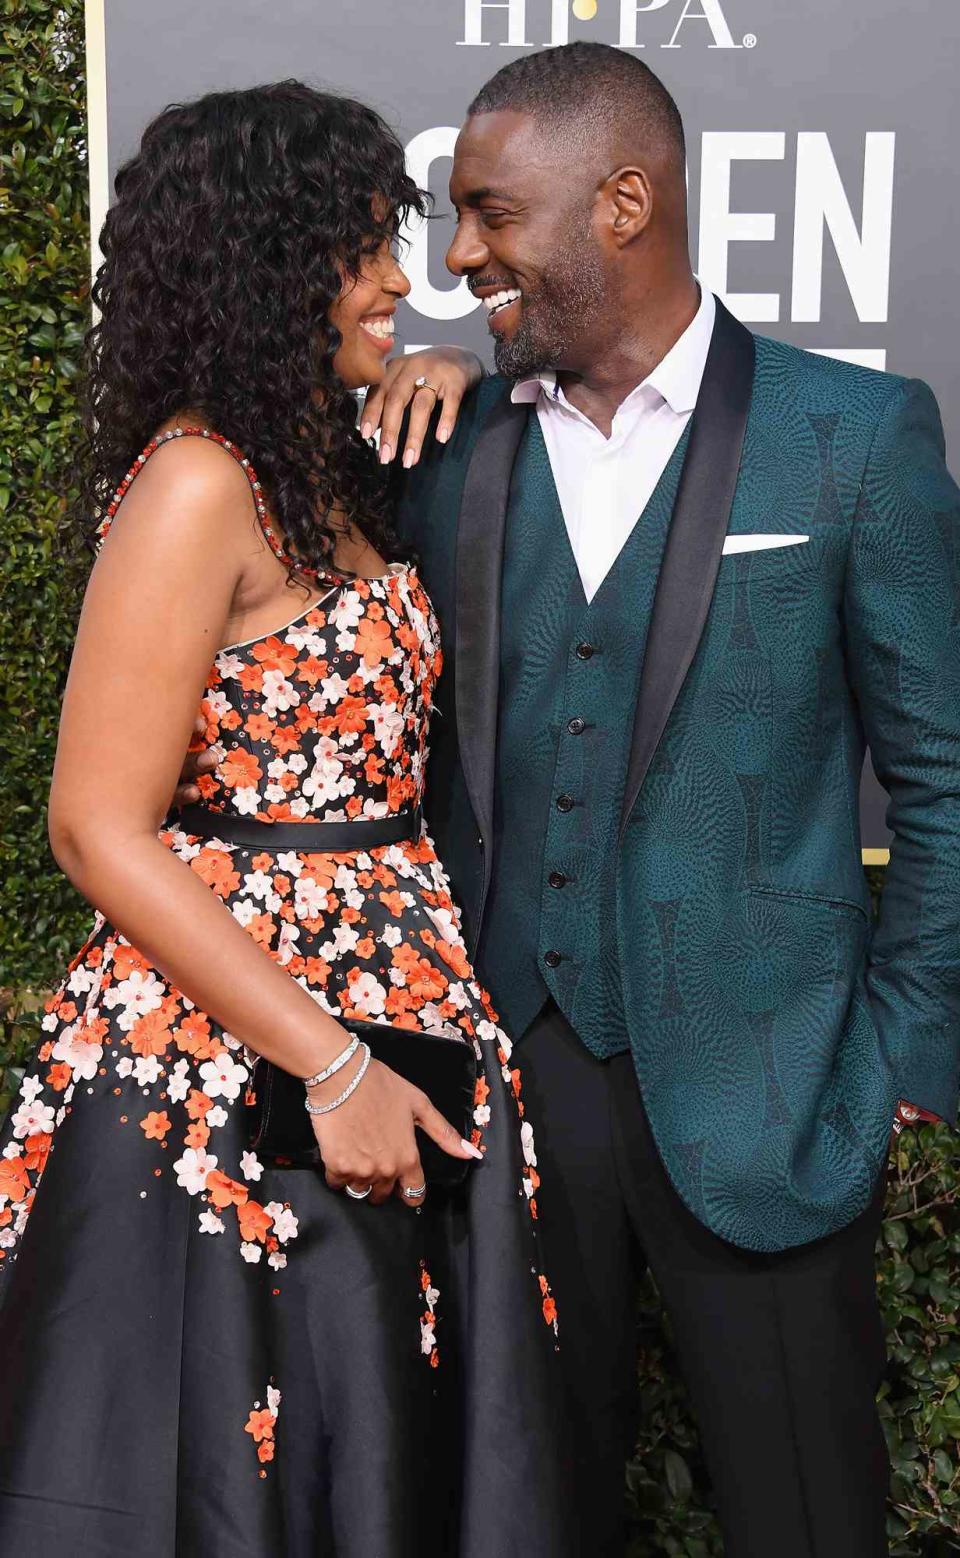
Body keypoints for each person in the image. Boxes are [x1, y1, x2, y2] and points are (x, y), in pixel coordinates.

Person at [349, 41, 960, 1558]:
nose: (459, 256)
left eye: (489, 212)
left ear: (624, 200)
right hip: (508, 1092)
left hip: (771, 1094)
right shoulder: (448, 444)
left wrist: (888, 1060)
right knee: (517, 1515)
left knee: (806, 1519)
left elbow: (946, 778)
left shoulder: (855, 437)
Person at [0, 82, 571, 1558]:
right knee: (253, 1477)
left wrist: (426, 369)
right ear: (260, 262)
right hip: (243, 1068)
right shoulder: (197, 484)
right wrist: (327, 1065)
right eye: (359, 246)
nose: (403, 275)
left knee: (367, 1459)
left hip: (390, 1025)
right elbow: (94, 825)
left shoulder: (312, 464)